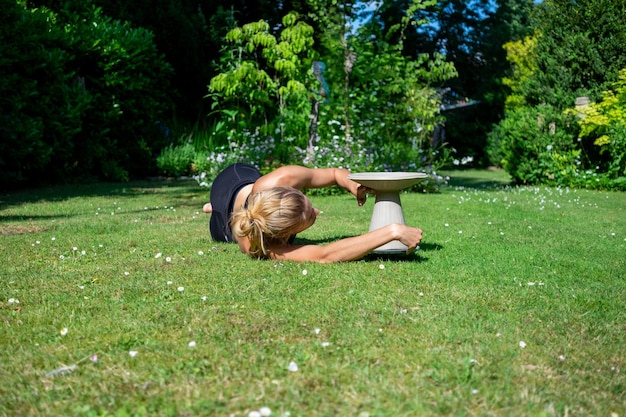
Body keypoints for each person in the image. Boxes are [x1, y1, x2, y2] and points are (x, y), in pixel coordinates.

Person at [203, 163, 423, 263]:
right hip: (227, 198)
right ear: (284, 235)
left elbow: (335, 173)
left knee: (256, 187)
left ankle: (221, 206)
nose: (317, 211)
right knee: (221, 222)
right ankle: (214, 208)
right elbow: (325, 255)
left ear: (289, 189)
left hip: (245, 181)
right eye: (310, 217)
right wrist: (393, 231)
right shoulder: (261, 246)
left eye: (309, 204)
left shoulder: (281, 179)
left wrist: (354, 185)